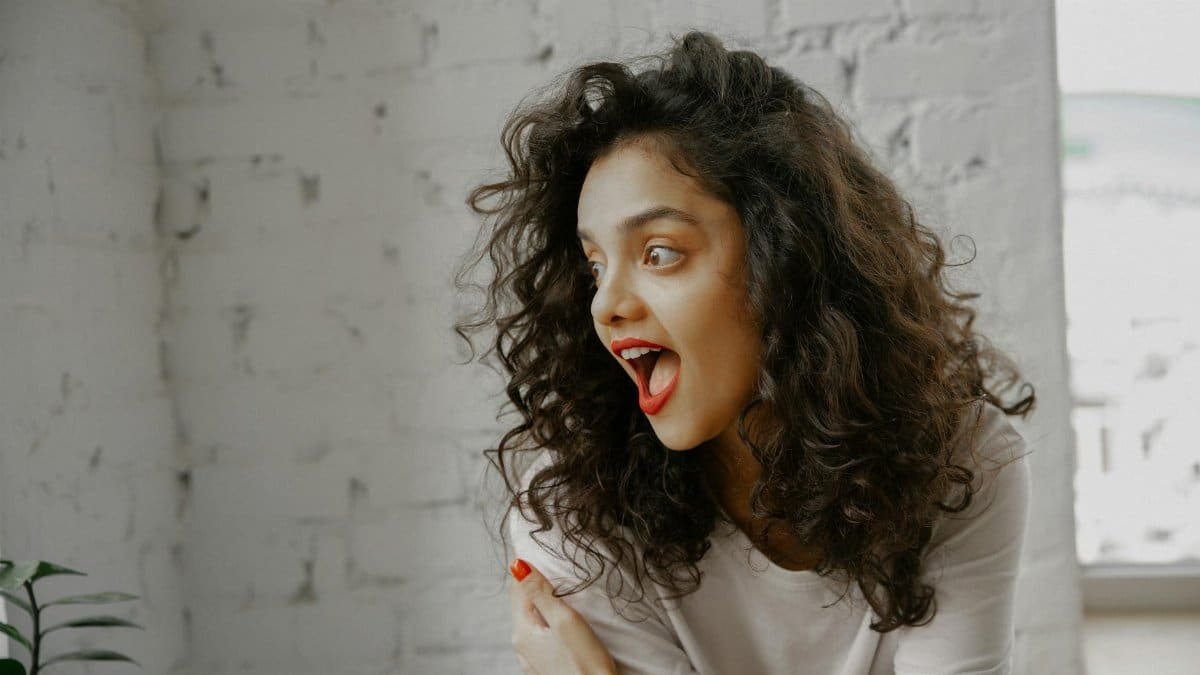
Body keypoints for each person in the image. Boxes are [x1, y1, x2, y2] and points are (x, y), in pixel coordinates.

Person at [453, 30, 1036, 675]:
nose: (605, 304)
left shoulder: (960, 463)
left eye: (659, 253)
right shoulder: (572, 522)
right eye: (595, 267)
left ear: (784, 259)